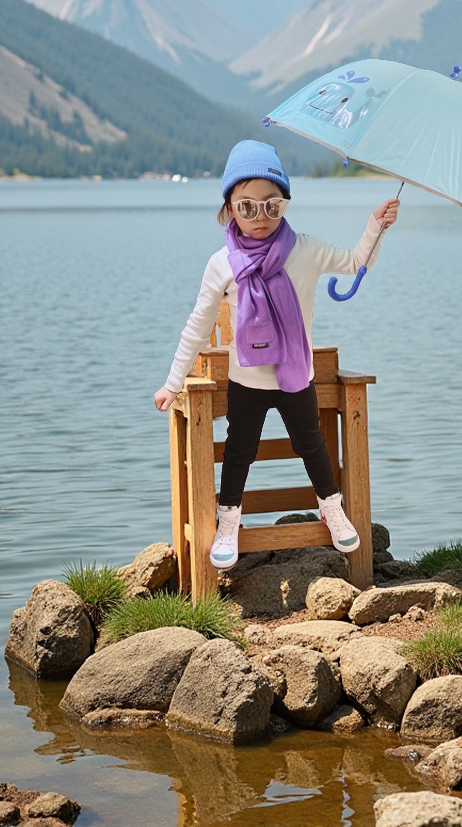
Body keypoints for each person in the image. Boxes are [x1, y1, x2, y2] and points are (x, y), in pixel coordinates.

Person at [154, 139, 399, 571]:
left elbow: (355, 261)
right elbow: (197, 324)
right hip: (246, 379)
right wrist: (173, 382)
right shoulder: (221, 264)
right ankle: (229, 519)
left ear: (285, 204)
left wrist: (375, 227)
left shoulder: (303, 249)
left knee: (313, 446)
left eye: (273, 206)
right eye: (247, 207)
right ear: (229, 207)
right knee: (238, 452)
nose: (261, 217)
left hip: (295, 376)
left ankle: (332, 507)